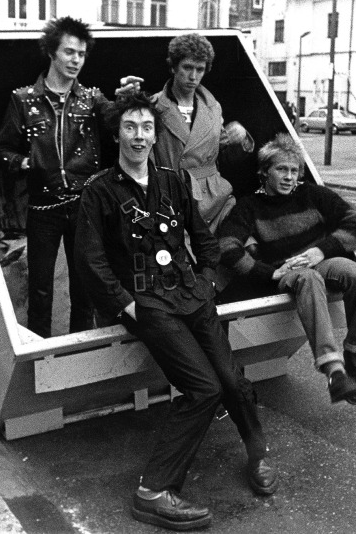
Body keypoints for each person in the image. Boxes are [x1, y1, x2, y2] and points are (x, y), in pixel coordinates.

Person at [75, 92, 279, 531]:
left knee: (233, 382)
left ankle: (258, 454)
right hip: (150, 306)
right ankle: (153, 491)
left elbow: (203, 237)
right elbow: (90, 261)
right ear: (117, 135)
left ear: (155, 134)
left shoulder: (172, 180)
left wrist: (207, 278)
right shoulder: (99, 192)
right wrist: (128, 306)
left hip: (192, 294)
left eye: (146, 127)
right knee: (204, 389)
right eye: (130, 127)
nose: (139, 136)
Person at [217, 134, 356, 404]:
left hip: (319, 260)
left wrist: (320, 251)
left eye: (294, 170)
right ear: (264, 172)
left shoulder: (313, 195)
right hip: (289, 272)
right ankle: (334, 371)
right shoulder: (249, 207)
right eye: (281, 169)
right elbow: (226, 246)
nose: (289, 177)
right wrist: (267, 272)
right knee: (308, 278)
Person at [0, 16, 112, 338]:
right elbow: (1, 149)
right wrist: (24, 163)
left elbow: (118, 127)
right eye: (69, 52)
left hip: (84, 206)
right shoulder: (24, 99)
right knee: (40, 291)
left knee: (83, 288)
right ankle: (41, 356)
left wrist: (128, 99)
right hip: (43, 208)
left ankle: (82, 352)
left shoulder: (92, 99)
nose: (76, 60)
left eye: (82, 54)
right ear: (51, 52)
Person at [149, 33, 254, 233]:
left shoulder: (213, 108)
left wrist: (238, 140)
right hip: (169, 198)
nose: (193, 76)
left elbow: (222, 159)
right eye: (187, 67)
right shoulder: (153, 106)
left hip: (214, 198)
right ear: (173, 67)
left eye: (200, 69)